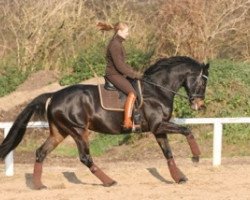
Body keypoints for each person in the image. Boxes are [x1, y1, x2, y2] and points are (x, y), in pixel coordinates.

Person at [97, 22, 142, 130]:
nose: (128, 34)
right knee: (132, 93)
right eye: (126, 32)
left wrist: (133, 72)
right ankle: (127, 122)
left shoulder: (118, 43)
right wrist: (133, 75)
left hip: (118, 73)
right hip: (114, 74)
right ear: (119, 31)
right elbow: (119, 66)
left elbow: (123, 64)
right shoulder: (115, 45)